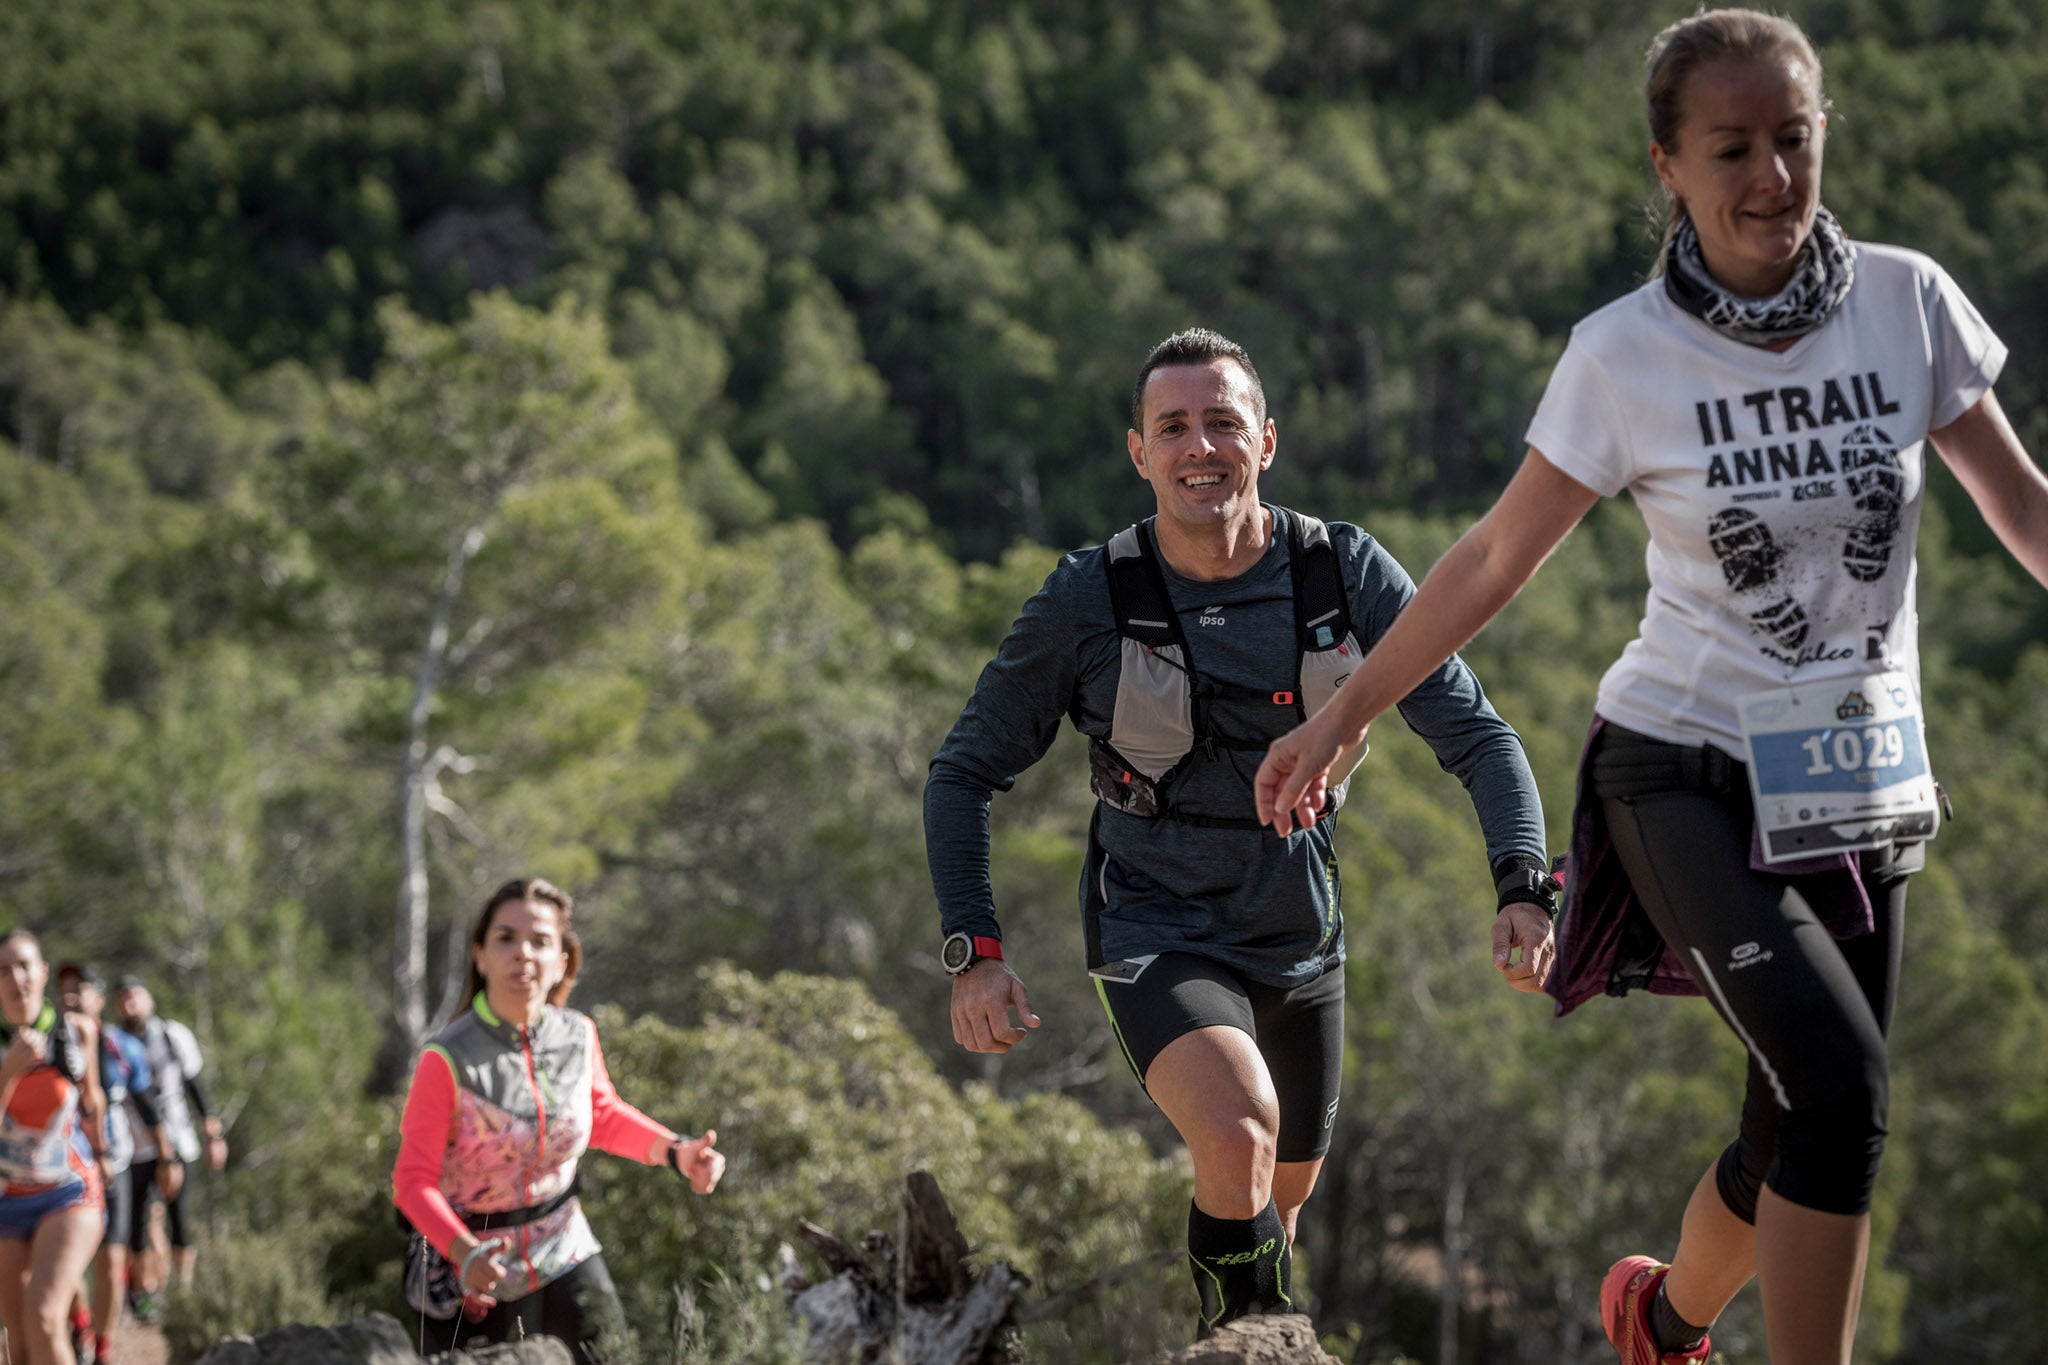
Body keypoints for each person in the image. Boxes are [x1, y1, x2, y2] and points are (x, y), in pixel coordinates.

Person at [1253, 11, 2048, 1364]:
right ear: (1667, 165)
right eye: (1731, 149)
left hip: (1858, 769)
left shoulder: (1907, 302)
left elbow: (2027, 511)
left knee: (1790, 1127)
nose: (1770, 179)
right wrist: (1347, 708)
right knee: (1844, 1092)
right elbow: (1498, 555)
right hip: (1677, 767)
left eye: (1793, 142)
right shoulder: (1626, 354)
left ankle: (1663, 1318)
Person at [925, 327, 1555, 1337]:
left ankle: (1240, 1343)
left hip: (1297, 932)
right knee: (1236, 1128)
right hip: (1152, 925)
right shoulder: (1086, 597)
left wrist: (1522, 885)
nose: (1198, 447)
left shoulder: (1341, 572)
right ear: (1139, 453)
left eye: (1222, 422)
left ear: (1266, 440)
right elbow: (961, 774)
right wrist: (974, 951)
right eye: (1170, 427)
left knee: (1275, 1197)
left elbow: (1477, 736)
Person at [391, 878, 725, 1364]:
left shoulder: (577, 1035)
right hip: (469, 1274)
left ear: (562, 960)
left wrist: (676, 1151)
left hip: (564, 1247)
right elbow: (411, 1182)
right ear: (480, 955)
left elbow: (602, 1116)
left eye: (540, 941)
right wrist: (465, 1254)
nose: (522, 953)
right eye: (505, 938)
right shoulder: (446, 1059)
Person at [0, 931, 108, 1365]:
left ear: (42, 973)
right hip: (7, 1201)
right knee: (18, 1345)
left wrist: (105, 1156)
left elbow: (93, 1100)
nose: (16, 978)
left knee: (44, 1317)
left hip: (68, 1192)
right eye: (3, 970)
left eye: (25, 965)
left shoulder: (77, 1031)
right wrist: (8, 1072)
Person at [55, 964, 160, 1365]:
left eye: (79, 989)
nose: (70, 997)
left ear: (99, 998)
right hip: (65, 1171)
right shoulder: (47, 1045)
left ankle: (102, 1349)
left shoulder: (121, 1047)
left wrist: (166, 1156)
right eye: (63, 990)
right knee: (69, 1261)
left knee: (112, 1260)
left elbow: (146, 1102)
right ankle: (79, 1323)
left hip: (115, 1164)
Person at [111, 978, 221, 1323]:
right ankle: (144, 1295)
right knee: (136, 1223)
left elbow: (196, 1086)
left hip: (180, 1140)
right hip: (135, 1147)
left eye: (135, 995)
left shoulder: (174, 1036)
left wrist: (213, 1135)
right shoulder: (116, 1043)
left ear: (150, 1000)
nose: (130, 1003)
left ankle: (183, 1293)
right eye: (123, 998)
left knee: (180, 1218)